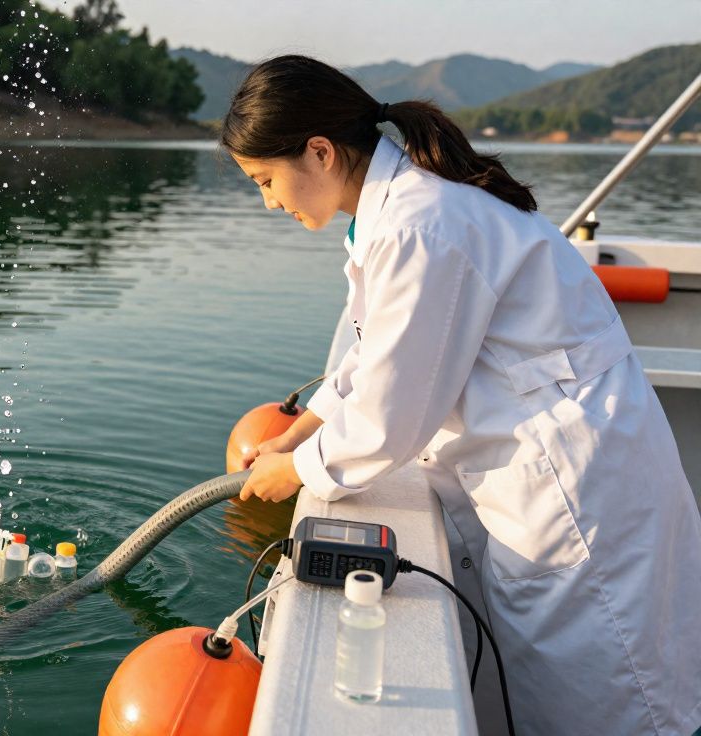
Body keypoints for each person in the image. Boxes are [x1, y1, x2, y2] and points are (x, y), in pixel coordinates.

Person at [227, 55, 701, 735]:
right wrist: (307, 427)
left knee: (622, 708)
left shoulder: (422, 223)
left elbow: (391, 418)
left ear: (320, 152)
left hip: (577, 496)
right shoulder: (398, 215)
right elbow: (377, 347)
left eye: (266, 180)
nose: (270, 201)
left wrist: (297, 471)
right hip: (545, 484)